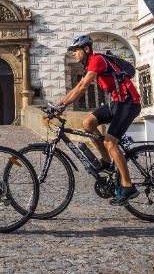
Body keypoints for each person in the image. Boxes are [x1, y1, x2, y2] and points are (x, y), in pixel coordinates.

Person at [54, 34, 142, 205]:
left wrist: (61, 105)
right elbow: (78, 87)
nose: (74, 53)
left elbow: (82, 87)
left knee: (110, 142)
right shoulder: (90, 64)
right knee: (88, 123)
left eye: (76, 50)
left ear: (86, 49)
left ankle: (128, 186)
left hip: (129, 102)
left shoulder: (97, 60)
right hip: (116, 102)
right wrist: (59, 104)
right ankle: (107, 161)